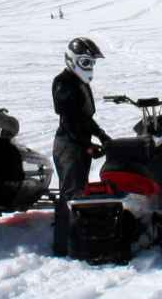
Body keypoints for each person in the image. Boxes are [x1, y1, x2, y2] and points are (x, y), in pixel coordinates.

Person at [50, 36, 110, 256]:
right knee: (70, 196)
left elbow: (84, 118)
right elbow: (69, 119)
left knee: (79, 193)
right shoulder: (63, 82)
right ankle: (62, 247)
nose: (90, 67)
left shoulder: (81, 83)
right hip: (68, 145)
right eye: (86, 62)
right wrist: (86, 145)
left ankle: (78, 239)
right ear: (72, 59)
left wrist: (102, 136)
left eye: (91, 63)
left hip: (77, 144)